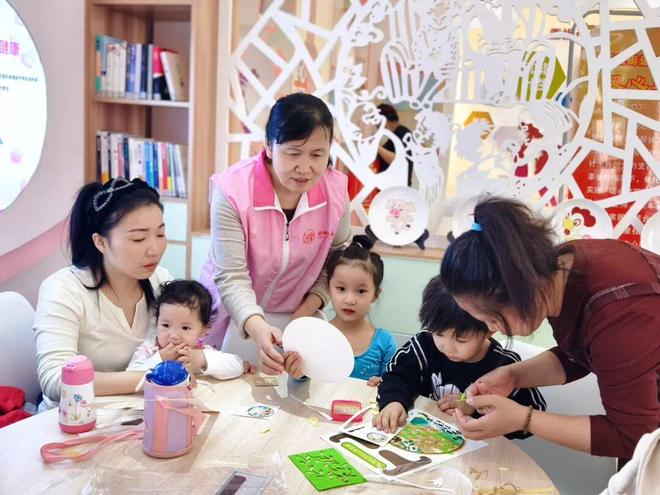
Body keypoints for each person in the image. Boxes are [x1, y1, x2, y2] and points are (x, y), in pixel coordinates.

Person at [439, 195, 660, 461]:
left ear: (521, 291)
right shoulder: (558, 267)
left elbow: (633, 438)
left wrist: (523, 418)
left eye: (493, 319)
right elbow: (582, 355)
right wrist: (512, 376)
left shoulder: (620, 315)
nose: (492, 330)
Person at [199, 92, 350, 375]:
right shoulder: (232, 191)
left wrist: (305, 313)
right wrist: (257, 327)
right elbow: (231, 276)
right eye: (293, 153)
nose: (305, 168)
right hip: (229, 313)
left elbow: (336, 260)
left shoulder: (336, 192)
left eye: (317, 154)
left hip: (297, 317)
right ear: (268, 146)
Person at [34, 178, 171, 410]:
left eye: (160, 234)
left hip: (136, 411)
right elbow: (56, 379)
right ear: (100, 242)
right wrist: (149, 378)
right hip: (74, 418)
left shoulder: (160, 280)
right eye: (138, 238)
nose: (155, 250)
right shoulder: (64, 289)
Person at [374, 275, 546, 436]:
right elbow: (396, 375)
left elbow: (531, 415)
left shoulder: (504, 365)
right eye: (439, 334)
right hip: (423, 434)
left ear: (489, 330)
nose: (447, 347)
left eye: (461, 340)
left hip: (478, 446)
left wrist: (474, 409)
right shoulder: (424, 344)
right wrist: (394, 401)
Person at [285, 235, 397, 383]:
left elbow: (395, 385)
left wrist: (383, 384)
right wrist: (299, 375)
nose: (349, 300)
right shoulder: (317, 337)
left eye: (361, 291)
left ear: (375, 295)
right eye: (341, 289)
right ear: (328, 289)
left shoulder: (385, 341)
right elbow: (302, 385)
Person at [127, 280, 254, 379]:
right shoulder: (149, 350)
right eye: (165, 325)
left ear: (204, 330)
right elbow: (129, 376)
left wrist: (201, 359)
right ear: (157, 321)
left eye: (185, 328)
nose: (174, 335)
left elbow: (237, 366)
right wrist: (160, 359)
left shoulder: (199, 351)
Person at [376, 103, 413, 186]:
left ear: (385, 120)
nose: (378, 127)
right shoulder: (392, 134)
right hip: (389, 186)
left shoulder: (403, 134)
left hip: (397, 187)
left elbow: (398, 160)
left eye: (379, 123)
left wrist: (378, 147)